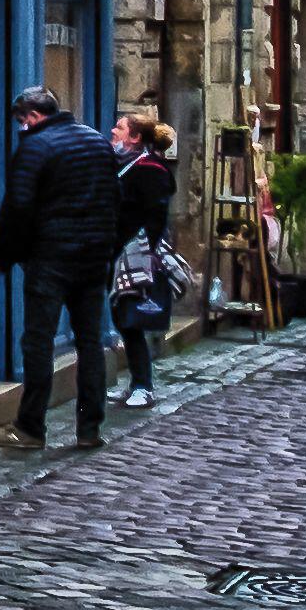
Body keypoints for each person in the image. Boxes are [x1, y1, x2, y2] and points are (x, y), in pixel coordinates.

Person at [0, 83, 122, 450]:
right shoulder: (96, 140)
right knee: (89, 342)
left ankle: (31, 426)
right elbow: (115, 200)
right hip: (93, 258)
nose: (22, 127)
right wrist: (107, 248)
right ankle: (89, 428)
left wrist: (7, 254)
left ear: (33, 116)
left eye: (23, 120)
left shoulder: (35, 146)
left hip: (51, 257)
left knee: (38, 342)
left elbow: (18, 207)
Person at [109, 110, 177, 408]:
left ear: (135, 138)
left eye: (121, 128)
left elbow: (155, 215)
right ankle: (137, 382)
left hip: (135, 256)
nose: (114, 131)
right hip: (117, 253)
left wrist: (144, 251)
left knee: (132, 318)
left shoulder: (150, 169)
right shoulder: (124, 164)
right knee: (124, 319)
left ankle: (143, 386)